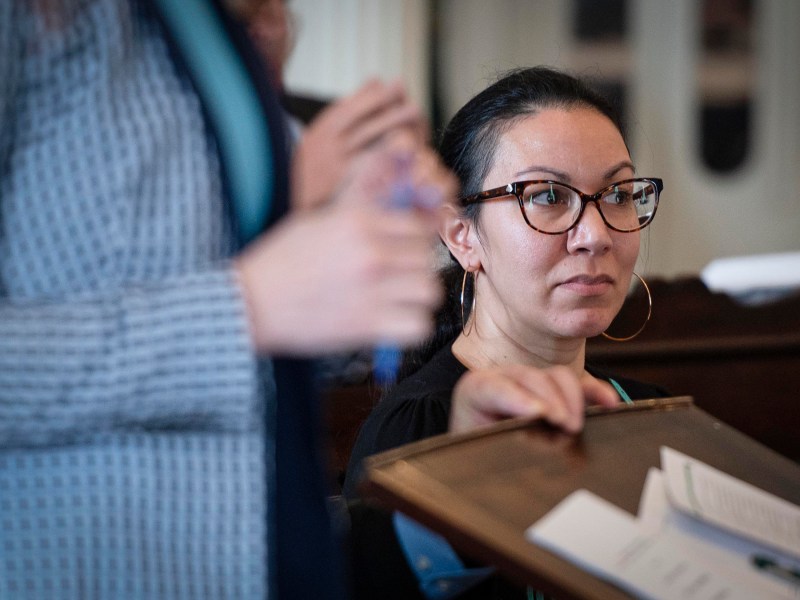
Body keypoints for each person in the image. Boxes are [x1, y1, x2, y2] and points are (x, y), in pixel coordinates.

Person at [0, 1, 454, 599]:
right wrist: (243, 310)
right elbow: (242, 308)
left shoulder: (208, 39)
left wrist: (337, 241)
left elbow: (257, 347)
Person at [343, 66, 670, 599]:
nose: (595, 235)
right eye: (547, 196)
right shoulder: (420, 430)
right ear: (461, 235)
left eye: (617, 193)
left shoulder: (649, 410)